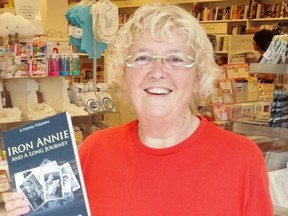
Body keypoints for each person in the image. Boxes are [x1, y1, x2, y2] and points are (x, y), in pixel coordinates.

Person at [2, 3, 273, 216]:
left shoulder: (241, 160)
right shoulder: (93, 151)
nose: (157, 72)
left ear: (199, 76)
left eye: (175, 59)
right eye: (142, 58)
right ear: (123, 72)